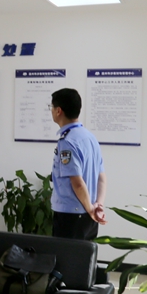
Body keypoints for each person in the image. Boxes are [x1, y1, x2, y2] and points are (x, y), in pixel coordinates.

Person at [50, 88, 107, 240]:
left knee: (65, 254)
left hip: (70, 216)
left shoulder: (67, 142)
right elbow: (102, 178)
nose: (51, 111)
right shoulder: (90, 138)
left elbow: (78, 183)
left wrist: (90, 209)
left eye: (51, 107)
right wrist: (98, 206)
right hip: (90, 215)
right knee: (85, 254)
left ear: (58, 111)